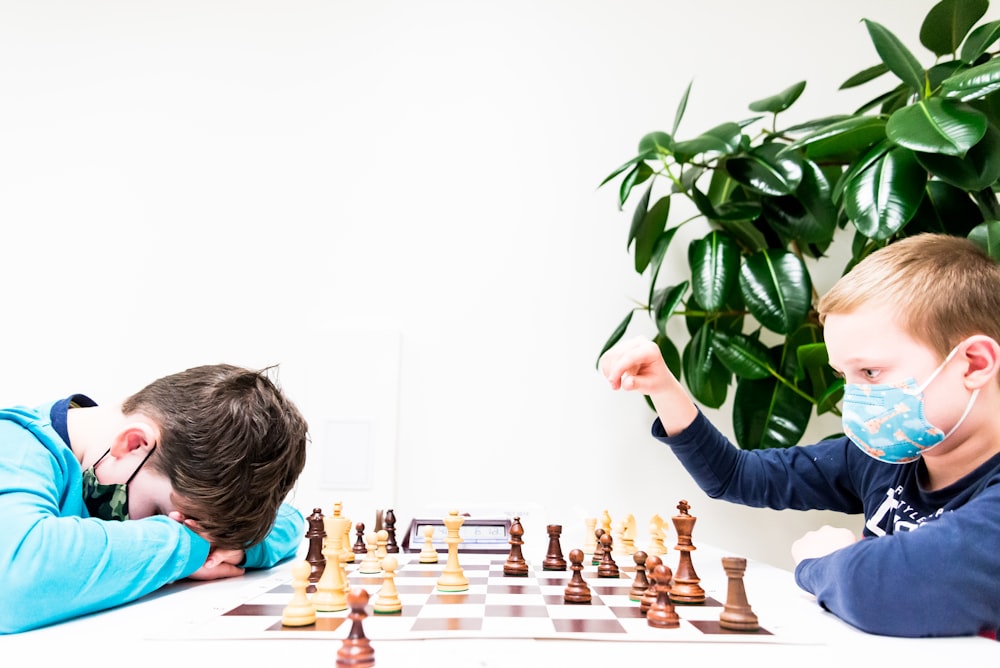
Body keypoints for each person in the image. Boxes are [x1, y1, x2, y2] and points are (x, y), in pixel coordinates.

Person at [599, 233, 1000, 639]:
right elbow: (736, 477)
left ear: (974, 364)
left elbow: (893, 588)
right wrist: (665, 389)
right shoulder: (881, 459)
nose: (854, 397)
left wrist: (824, 560)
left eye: (871, 373)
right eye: (845, 376)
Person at [0, 363, 309, 634]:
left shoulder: (153, 471)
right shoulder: (14, 445)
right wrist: (186, 545)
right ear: (134, 443)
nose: (164, 526)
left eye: (184, 525)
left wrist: (227, 548)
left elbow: (289, 521)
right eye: (158, 512)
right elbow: (13, 583)